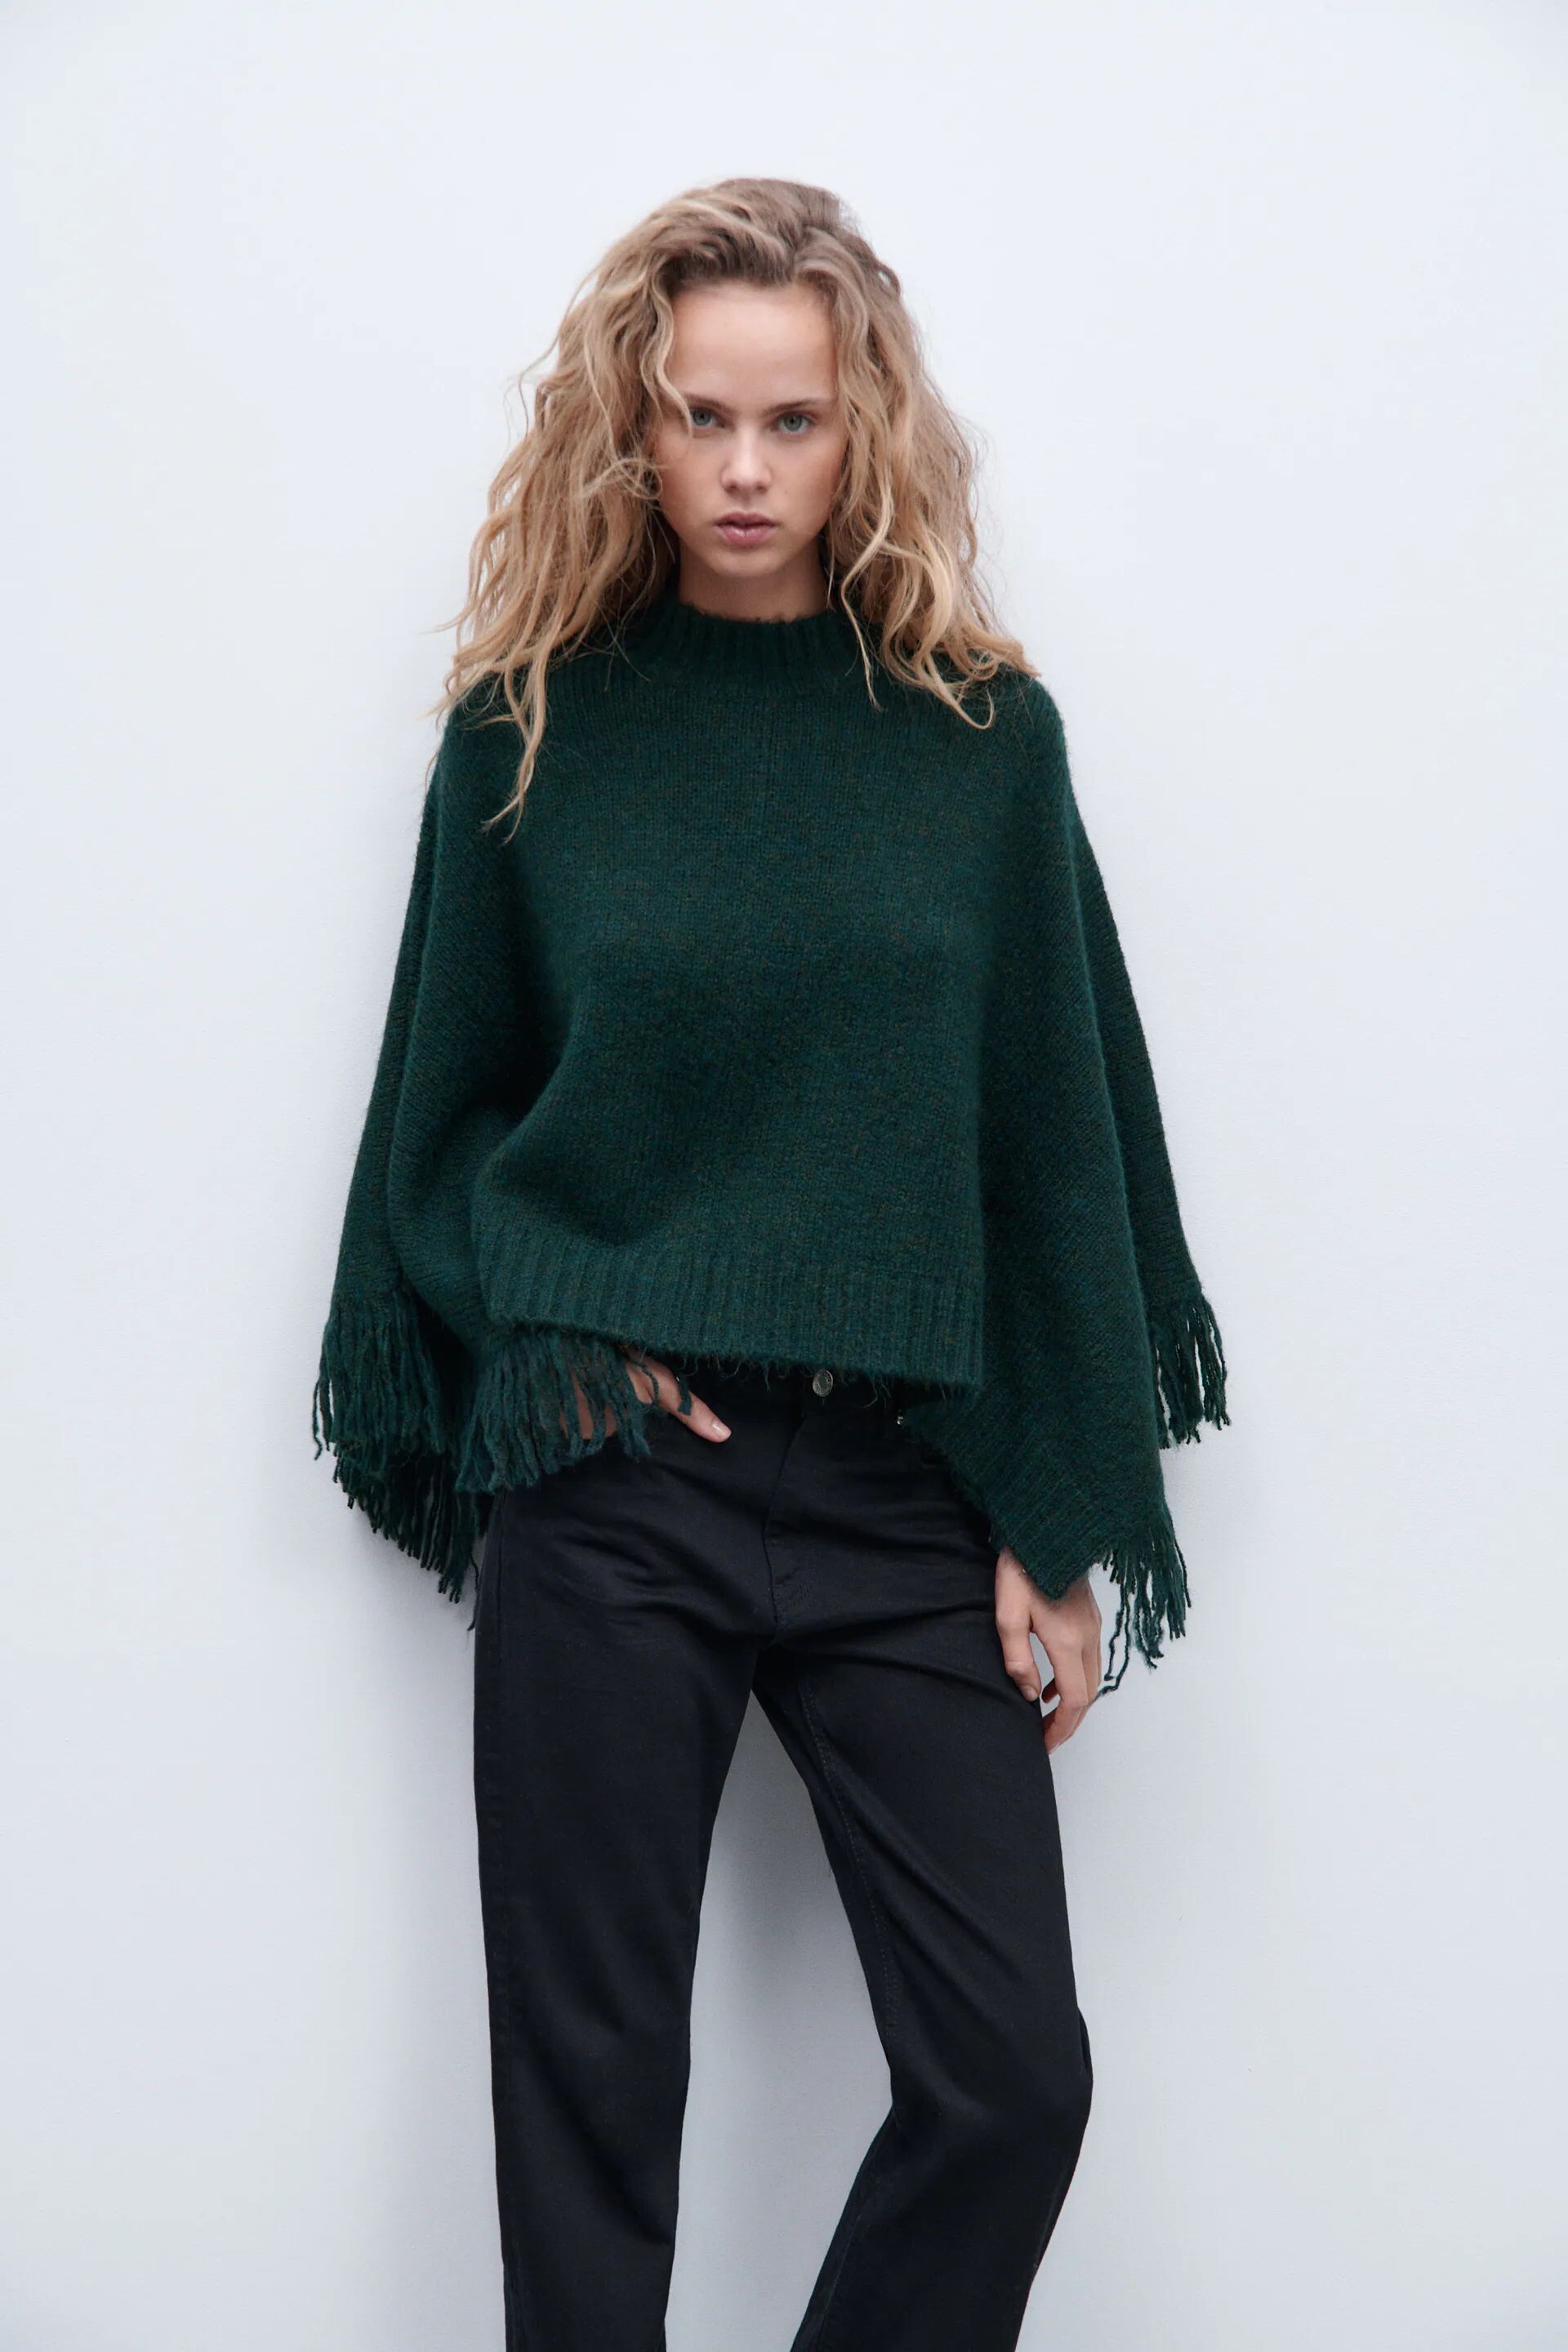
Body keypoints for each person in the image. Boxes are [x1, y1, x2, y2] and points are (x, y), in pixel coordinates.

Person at [312, 177, 1230, 2352]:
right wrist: (564, 1329)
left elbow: (1054, 1137)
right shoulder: (532, 731)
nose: (743, 469)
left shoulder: (982, 745)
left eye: (792, 420)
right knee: (590, 2099)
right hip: (615, 1481)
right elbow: (435, 1127)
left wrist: (1058, 1512)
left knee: (1010, 2085)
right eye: (700, 417)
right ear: (630, 428)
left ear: (863, 428)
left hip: (905, 1490)